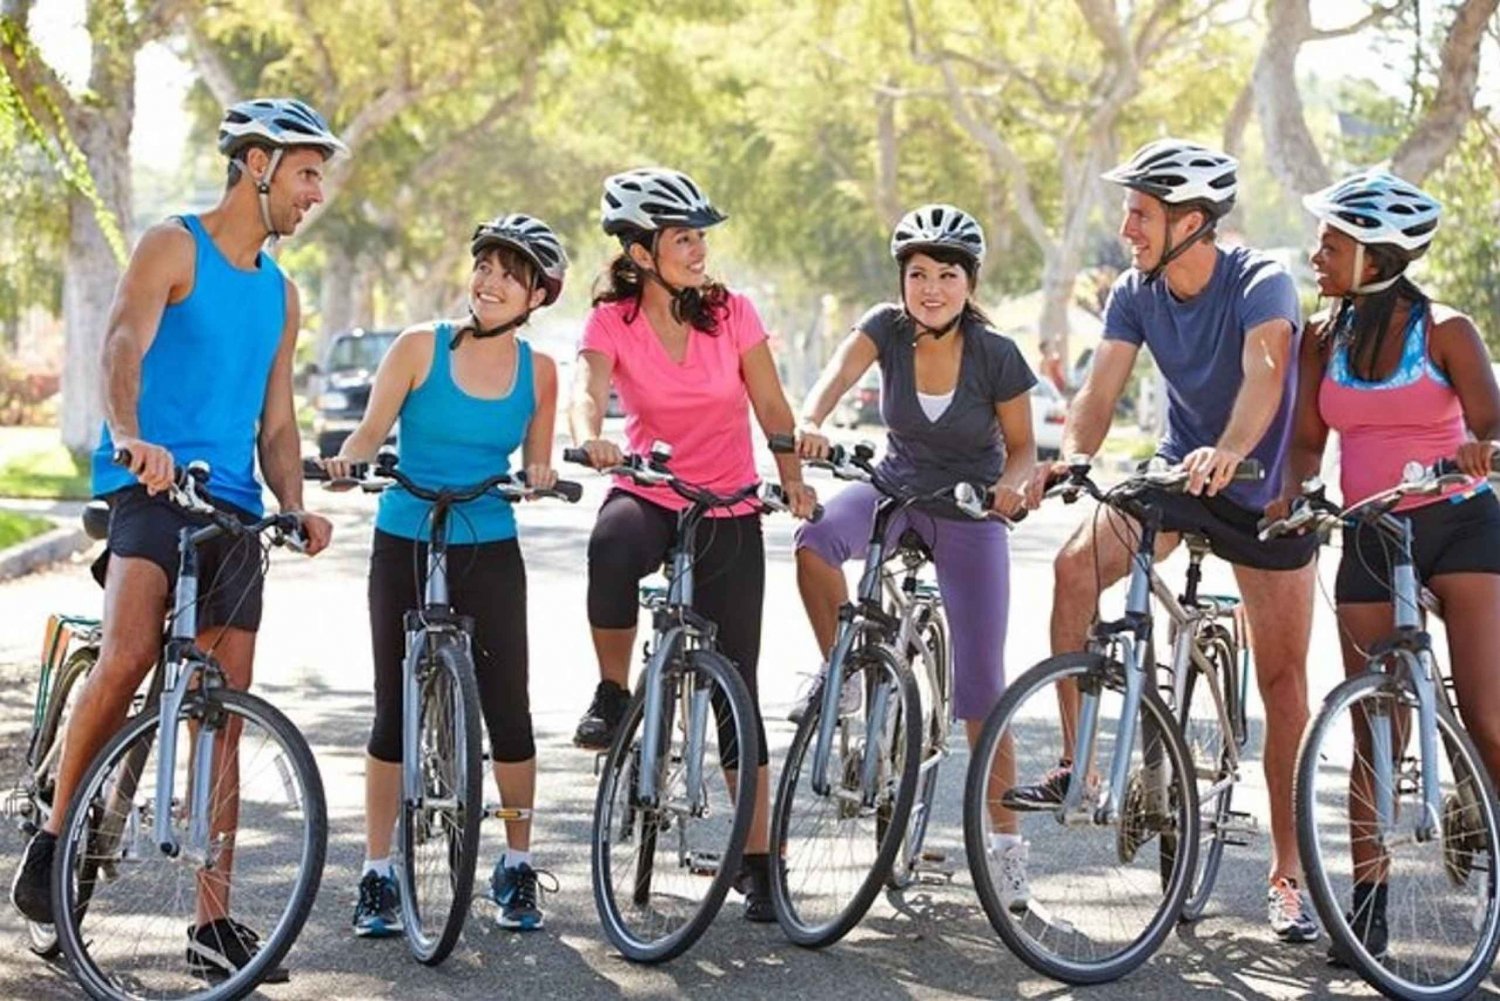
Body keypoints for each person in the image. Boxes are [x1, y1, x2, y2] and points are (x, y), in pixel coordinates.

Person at [9, 98, 341, 980]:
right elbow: (122, 345)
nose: (315, 194)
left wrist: (296, 501)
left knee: (223, 713)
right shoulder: (173, 244)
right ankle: (52, 844)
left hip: (230, 505)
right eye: (307, 173)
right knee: (126, 656)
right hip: (149, 488)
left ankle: (212, 922)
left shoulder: (282, 293)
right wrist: (131, 433)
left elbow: (276, 421)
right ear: (259, 162)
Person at [1013, 138, 1324, 942]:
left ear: (1191, 222)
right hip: (1180, 474)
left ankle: (1288, 874)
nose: (1127, 229)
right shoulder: (1135, 291)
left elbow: (1265, 371)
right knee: (1075, 564)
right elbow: (1102, 385)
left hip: (1261, 491)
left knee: (1285, 683)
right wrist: (1074, 459)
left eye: (1141, 214)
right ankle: (1081, 766)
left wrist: (1233, 448)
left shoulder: (1261, 281)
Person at [568, 167, 816, 919]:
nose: (699, 249)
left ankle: (758, 859)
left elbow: (770, 403)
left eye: (701, 236)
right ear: (641, 251)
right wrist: (592, 440)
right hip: (650, 487)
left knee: (736, 685)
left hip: (730, 501)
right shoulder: (611, 321)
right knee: (610, 548)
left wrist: (793, 479)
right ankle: (615, 691)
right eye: (683, 238)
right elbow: (587, 390)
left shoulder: (733, 313)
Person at [1278, 170, 1500, 962]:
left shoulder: (1448, 329)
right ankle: (1367, 908)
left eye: (1331, 243)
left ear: (1376, 254)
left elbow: (1491, 419)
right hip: (1370, 533)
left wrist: (1480, 448)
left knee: (1490, 716)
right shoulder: (1321, 337)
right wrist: (1293, 492)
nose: (1317, 255)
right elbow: (1310, 440)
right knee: (1376, 727)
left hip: (1460, 526)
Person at [322, 214, 565, 934]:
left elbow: (540, 458)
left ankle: (517, 865)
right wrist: (350, 458)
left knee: (510, 710)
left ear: (535, 296)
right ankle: (377, 872)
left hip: (488, 540)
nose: (490, 283)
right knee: (390, 709)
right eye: (484, 267)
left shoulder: (539, 372)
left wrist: (544, 474)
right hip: (406, 532)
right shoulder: (417, 348)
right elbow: (370, 433)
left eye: (509, 275)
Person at [792, 203, 1036, 906]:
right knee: (815, 543)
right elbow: (833, 381)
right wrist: (811, 421)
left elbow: (1022, 449)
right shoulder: (884, 329)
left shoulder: (997, 354)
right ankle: (844, 667)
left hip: (968, 511)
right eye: (919, 273)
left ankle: (1008, 847)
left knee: (983, 691)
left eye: (947, 274)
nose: (932, 287)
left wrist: (1012, 490)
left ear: (969, 282)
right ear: (902, 280)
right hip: (895, 493)